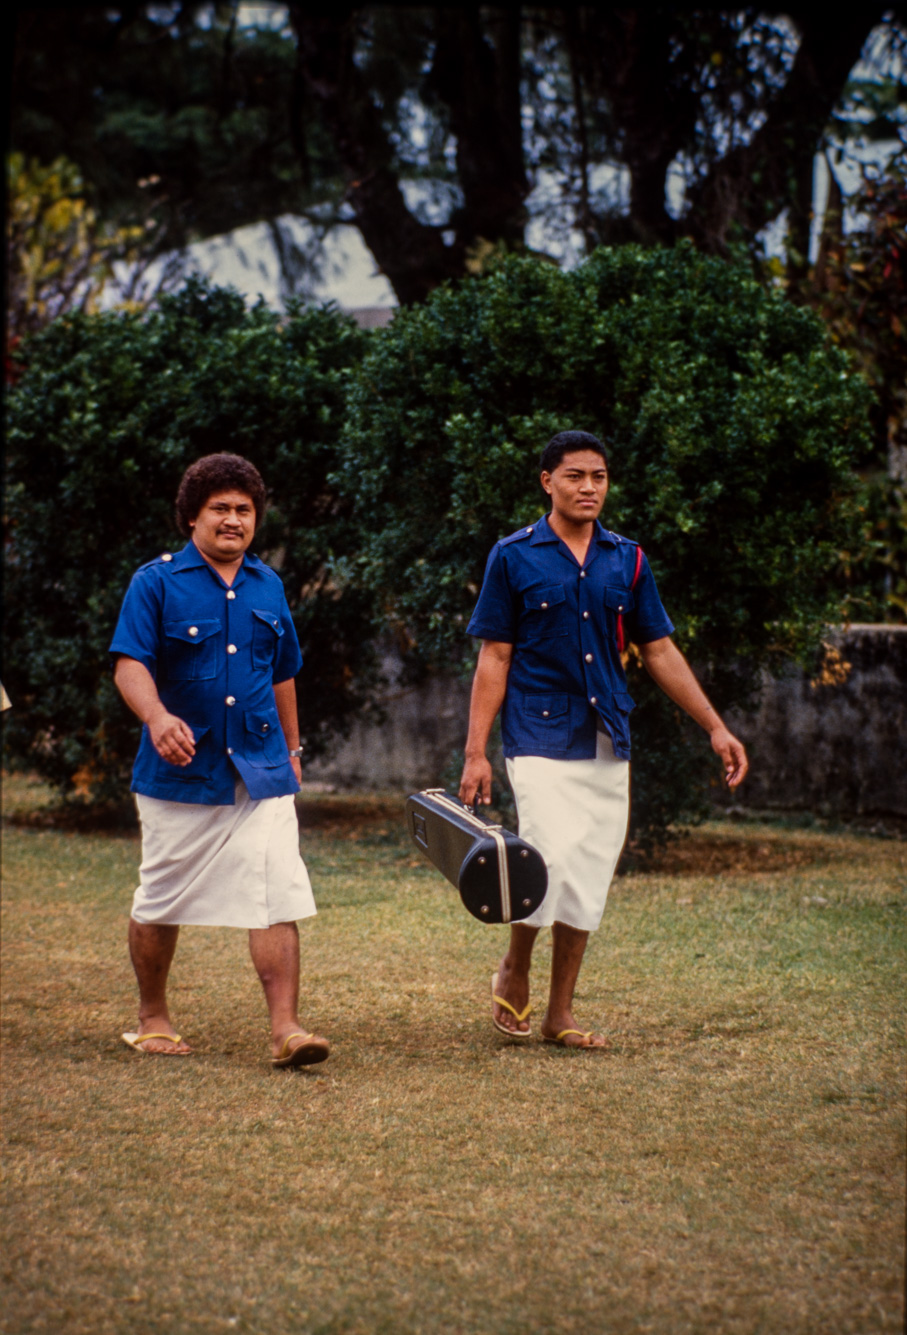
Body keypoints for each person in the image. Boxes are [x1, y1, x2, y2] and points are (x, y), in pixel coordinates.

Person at [459, 430, 748, 1049]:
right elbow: (495, 656)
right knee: (548, 855)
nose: (589, 487)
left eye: (599, 477)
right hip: (536, 733)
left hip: (607, 734)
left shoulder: (628, 559)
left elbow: (660, 649)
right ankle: (516, 963)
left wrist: (715, 726)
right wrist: (475, 751)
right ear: (547, 482)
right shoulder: (513, 556)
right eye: (575, 476)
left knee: (589, 872)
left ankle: (561, 1013)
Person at [110, 452, 329, 1067]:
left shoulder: (269, 585)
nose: (233, 520)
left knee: (276, 890)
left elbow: (282, 673)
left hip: (261, 768)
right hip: (180, 773)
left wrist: (292, 747)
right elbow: (130, 664)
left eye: (244, 510)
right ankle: (152, 1016)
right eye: (220, 510)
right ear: (191, 518)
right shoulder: (154, 583)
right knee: (160, 894)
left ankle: (287, 1029)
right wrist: (156, 718)